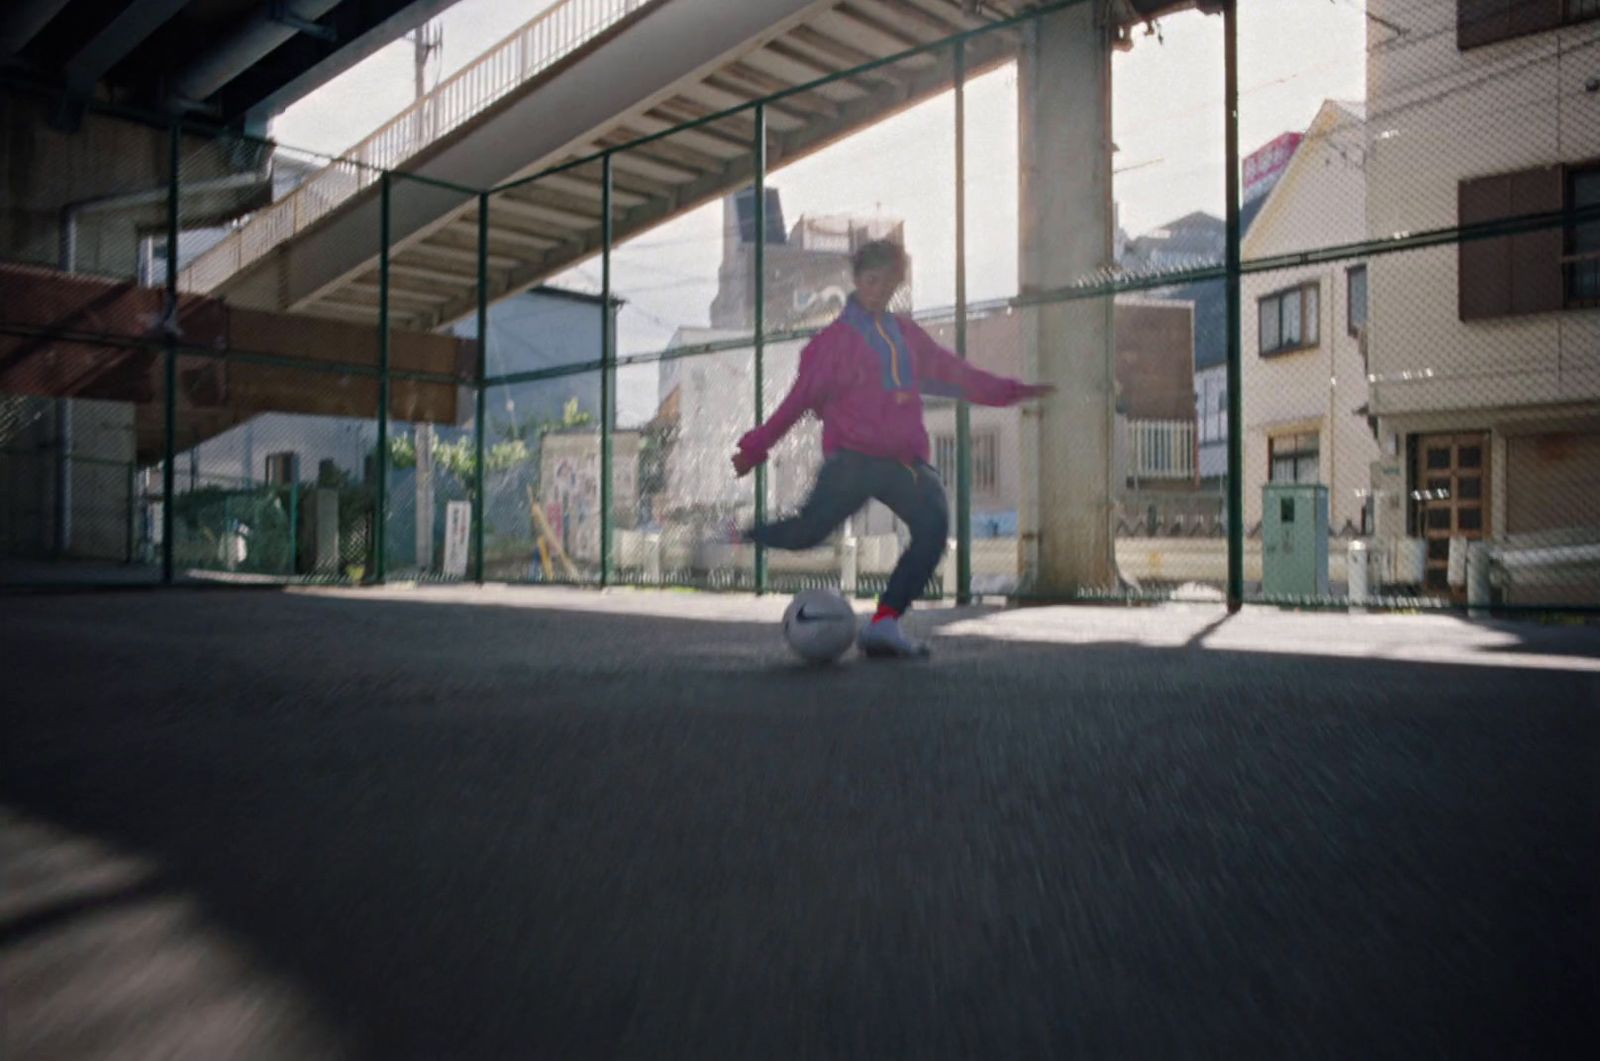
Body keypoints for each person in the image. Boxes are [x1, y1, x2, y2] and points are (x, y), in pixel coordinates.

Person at [732, 239, 1053, 658]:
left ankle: (885, 623)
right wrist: (756, 448)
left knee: (934, 526)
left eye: (889, 283)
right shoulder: (830, 345)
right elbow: (796, 402)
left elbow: (956, 374)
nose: (880, 290)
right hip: (852, 460)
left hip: (904, 461)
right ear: (858, 280)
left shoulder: (906, 336)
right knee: (806, 534)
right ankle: (742, 534)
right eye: (872, 280)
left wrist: (1013, 392)